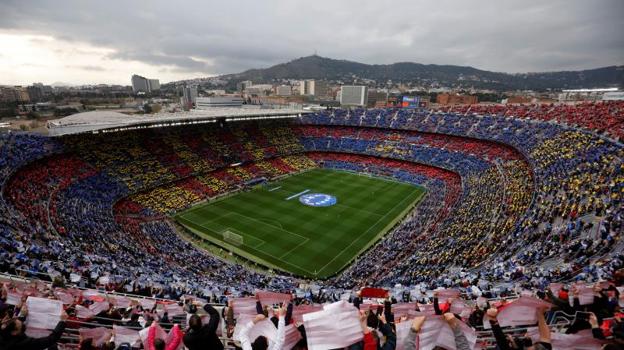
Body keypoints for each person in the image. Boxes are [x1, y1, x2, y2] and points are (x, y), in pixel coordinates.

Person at [0, 310, 68, 350]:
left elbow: (15, 324)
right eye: (23, 327)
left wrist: (22, 315)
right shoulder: (22, 344)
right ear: (14, 332)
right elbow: (51, 339)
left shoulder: (4, 334)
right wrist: (62, 321)